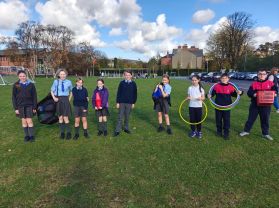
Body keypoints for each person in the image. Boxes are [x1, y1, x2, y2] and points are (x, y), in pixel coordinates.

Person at [240, 69, 277, 140]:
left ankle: (265, 133)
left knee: (265, 120)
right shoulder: (253, 84)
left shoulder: (271, 83)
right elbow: (249, 93)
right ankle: (246, 131)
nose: (262, 75)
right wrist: (254, 94)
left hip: (266, 106)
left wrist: (274, 94)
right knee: (251, 118)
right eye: (260, 74)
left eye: (263, 74)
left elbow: (276, 91)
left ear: (266, 75)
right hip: (255, 105)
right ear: (257, 75)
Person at [208, 73, 242, 140]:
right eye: (223, 78)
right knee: (218, 119)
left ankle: (226, 133)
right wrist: (208, 95)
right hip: (218, 106)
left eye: (226, 78)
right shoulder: (217, 86)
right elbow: (212, 94)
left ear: (228, 79)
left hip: (227, 107)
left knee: (226, 120)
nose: (224, 79)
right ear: (220, 79)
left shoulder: (230, 87)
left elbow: (235, 95)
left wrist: (240, 93)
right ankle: (219, 131)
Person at [12, 70, 37, 142]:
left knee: (29, 120)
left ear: (26, 76)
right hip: (20, 106)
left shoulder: (31, 85)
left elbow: (34, 96)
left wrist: (34, 107)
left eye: (23, 76)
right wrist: (16, 108)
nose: (22, 77)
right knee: (24, 121)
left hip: (29, 105)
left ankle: (32, 136)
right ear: (18, 77)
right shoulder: (16, 85)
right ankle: (26, 136)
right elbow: (13, 97)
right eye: (20, 76)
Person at [50, 69, 73, 140]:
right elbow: (52, 90)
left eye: (64, 74)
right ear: (59, 75)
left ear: (66, 75)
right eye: (61, 74)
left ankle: (68, 133)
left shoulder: (69, 82)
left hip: (65, 99)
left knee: (65, 117)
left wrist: (69, 99)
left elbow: (72, 91)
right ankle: (62, 133)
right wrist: (54, 97)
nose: (63, 75)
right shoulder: (56, 82)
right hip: (59, 100)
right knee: (60, 117)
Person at [114, 71, 137, 137]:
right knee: (120, 117)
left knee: (127, 116)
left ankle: (126, 128)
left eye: (129, 75)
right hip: (122, 102)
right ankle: (117, 130)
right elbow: (118, 93)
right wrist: (118, 102)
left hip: (129, 103)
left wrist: (133, 103)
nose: (127, 76)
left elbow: (135, 94)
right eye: (126, 75)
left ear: (131, 76)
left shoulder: (133, 84)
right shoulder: (121, 83)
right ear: (124, 76)